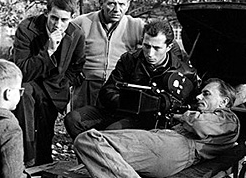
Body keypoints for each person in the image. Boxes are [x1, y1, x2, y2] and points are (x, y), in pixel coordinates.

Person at [74, 78, 239, 178]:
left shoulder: (228, 118)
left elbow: (200, 124)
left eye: (206, 94)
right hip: (169, 145)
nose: (198, 96)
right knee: (88, 144)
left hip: (177, 147)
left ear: (224, 101)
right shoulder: (214, 116)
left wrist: (184, 115)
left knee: (90, 139)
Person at [65, 19, 195, 139]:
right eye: (146, 46)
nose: (150, 53)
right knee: (73, 119)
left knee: (112, 133)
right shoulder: (129, 59)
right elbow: (108, 91)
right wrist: (129, 101)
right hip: (119, 111)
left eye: (156, 48)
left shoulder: (183, 73)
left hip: (150, 122)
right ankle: (90, 158)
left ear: (169, 47)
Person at [13, 0, 85, 166]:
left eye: (64, 20)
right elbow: (22, 69)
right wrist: (48, 52)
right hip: (30, 82)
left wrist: (65, 81)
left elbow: (77, 64)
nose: (57, 25)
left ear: (72, 18)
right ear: (46, 13)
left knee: (45, 134)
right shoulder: (27, 28)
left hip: (54, 88)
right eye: (54, 18)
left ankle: (43, 168)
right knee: (27, 116)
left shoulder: (76, 34)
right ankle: (26, 161)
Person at [70, 0, 144, 109]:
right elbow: (62, 51)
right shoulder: (82, 22)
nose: (116, 9)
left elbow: (163, 43)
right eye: (111, 3)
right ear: (101, 3)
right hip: (86, 86)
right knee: (78, 123)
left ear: (128, 5)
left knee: (111, 127)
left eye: (122, 4)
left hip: (118, 88)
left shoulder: (137, 26)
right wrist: (72, 74)